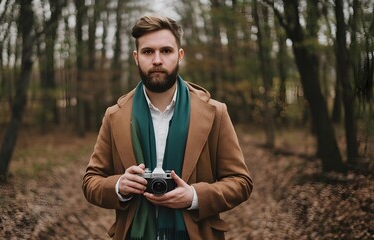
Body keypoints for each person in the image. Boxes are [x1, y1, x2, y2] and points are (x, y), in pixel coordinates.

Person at [82, 15, 253, 240]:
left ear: (180, 55)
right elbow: (91, 181)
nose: (157, 60)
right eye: (148, 52)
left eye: (166, 51)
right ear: (136, 57)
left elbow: (241, 182)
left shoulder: (215, 112)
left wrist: (194, 196)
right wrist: (119, 186)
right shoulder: (115, 116)